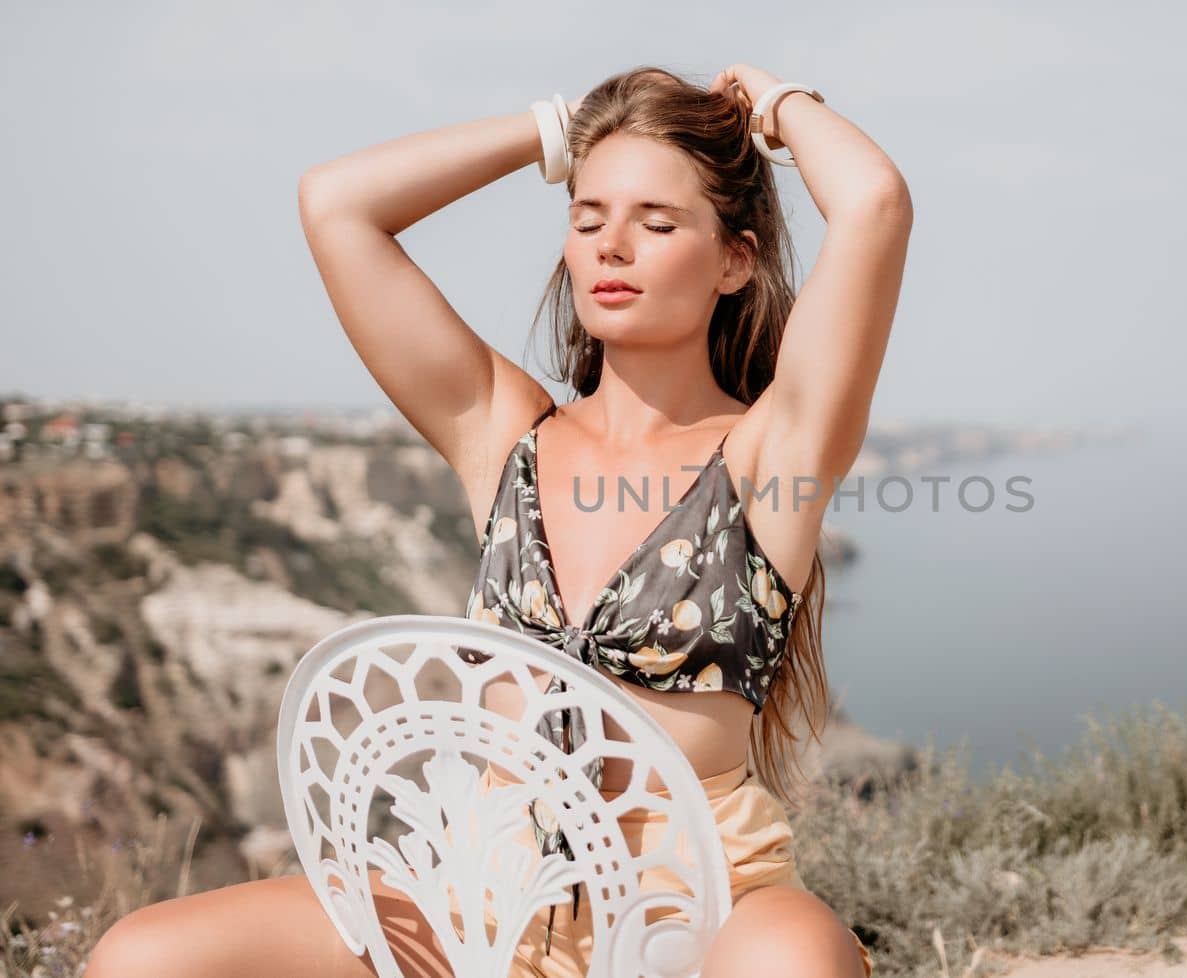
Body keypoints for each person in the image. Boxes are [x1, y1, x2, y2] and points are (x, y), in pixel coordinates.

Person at [83, 62, 910, 978]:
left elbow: (873, 203)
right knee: (143, 955)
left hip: (705, 898)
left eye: (657, 222)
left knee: (797, 960)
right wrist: (558, 131)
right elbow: (336, 207)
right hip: (482, 895)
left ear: (735, 259)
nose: (611, 247)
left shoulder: (771, 457)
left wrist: (777, 107)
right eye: (587, 218)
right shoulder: (504, 434)